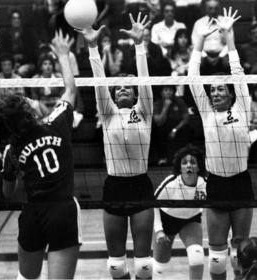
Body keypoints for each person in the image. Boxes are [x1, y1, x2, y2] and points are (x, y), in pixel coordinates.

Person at [0, 30, 82, 279]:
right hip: (62, 211)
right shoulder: (56, 122)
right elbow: (70, 89)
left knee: (25, 278)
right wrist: (63, 55)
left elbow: (7, 193)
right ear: (30, 113)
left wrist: (17, 170)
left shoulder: (11, 149)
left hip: (32, 213)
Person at [79, 13, 154, 279]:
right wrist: (92, 47)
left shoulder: (143, 111)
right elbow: (100, 84)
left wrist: (139, 45)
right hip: (114, 186)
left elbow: (145, 82)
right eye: (118, 87)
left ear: (134, 94)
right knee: (116, 265)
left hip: (141, 185)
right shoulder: (108, 113)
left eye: (127, 87)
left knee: (144, 264)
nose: (122, 89)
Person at [188, 7, 254, 280]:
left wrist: (229, 39)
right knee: (216, 258)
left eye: (219, 89)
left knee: (241, 251)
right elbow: (193, 79)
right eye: (212, 90)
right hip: (215, 183)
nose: (214, 92)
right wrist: (199, 44)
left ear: (229, 94)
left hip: (240, 184)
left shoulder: (242, 109)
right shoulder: (206, 113)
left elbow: (237, 74)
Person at [153, 145, 206, 280]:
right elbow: (153, 205)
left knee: (197, 257)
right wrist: (159, 230)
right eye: (184, 163)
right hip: (166, 222)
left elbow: (218, 207)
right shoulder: (171, 183)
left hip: (191, 220)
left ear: (199, 167)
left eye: (193, 162)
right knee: (159, 266)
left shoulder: (206, 184)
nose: (189, 165)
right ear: (180, 167)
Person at [153, 85, 191, 165]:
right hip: (163, 127)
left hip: (178, 127)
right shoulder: (157, 103)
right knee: (157, 131)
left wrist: (175, 130)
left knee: (187, 129)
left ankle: (181, 157)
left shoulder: (180, 102)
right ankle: (163, 158)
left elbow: (186, 119)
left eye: (170, 90)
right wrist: (166, 107)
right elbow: (158, 121)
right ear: (161, 92)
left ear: (173, 92)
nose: (168, 92)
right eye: (166, 90)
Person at [191, 0, 229, 75]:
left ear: (219, 9)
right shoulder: (199, 23)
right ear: (206, 9)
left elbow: (230, 42)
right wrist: (204, 56)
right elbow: (195, 42)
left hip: (222, 55)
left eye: (216, 8)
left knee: (228, 64)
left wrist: (221, 56)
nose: (213, 11)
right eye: (210, 8)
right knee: (196, 65)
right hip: (204, 56)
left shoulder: (226, 21)